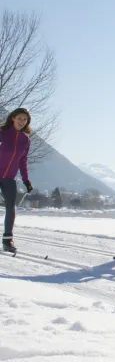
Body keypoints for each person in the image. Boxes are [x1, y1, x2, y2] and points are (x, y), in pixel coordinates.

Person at [0, 108, 33, 254]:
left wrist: (26, 180)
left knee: (11, 207)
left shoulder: (25, 140)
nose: (22, 121)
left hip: (9, 178)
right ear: (13, 118)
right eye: (20, 118)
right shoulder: (2, 133)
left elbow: (23, 161)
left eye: (25, 120)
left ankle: (7, 241)